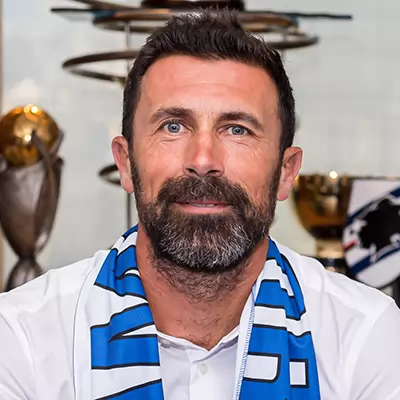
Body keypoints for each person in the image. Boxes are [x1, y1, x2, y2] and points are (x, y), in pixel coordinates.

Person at [0, 9, 399, 400]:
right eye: (173, 126)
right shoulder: (23, 338)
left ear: (285, 172)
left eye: (237, 129)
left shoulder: (364, 337)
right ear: (125, 163)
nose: (203, 160)